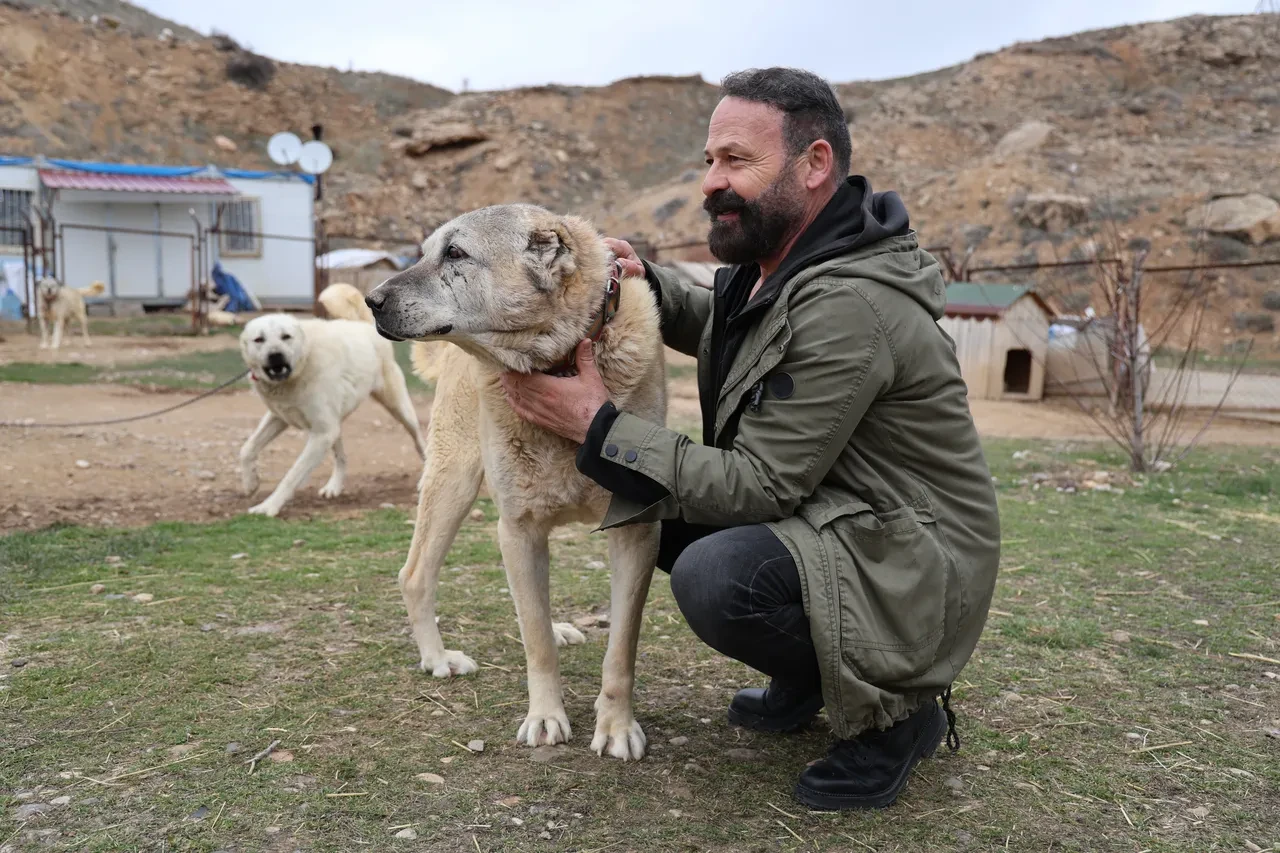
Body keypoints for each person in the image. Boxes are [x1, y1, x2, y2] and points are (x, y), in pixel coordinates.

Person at [499, 67, 1001, 811]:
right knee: (658, 509)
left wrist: (598, 426)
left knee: (718, 577)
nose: (710, 182)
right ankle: (811, 673)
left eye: (736, 160)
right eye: (709, 161)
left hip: (913, 567)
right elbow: (727, 328)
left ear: (815, 163)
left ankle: (900, 713)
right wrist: (649, 283)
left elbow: (757, 487)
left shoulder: (851, 305)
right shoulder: (779, 267)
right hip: (846, 525)